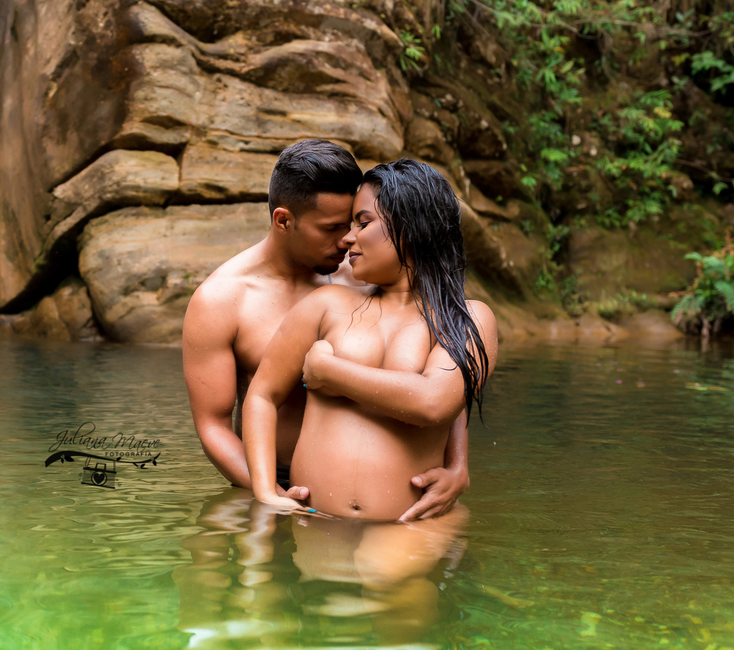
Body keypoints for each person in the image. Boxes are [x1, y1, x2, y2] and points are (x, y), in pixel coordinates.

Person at [182, 141, 470, 521]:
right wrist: (269, 492)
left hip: (393, 484)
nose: (346, 240)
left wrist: (458, 466)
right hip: (277, 477)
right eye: (331, 229)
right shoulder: (222, 301)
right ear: (284, 220)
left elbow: (444, 365)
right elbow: (213, 426)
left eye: (354, 223)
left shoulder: (368, 271)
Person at [242, 157, 499, 519]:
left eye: (363, 223)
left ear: (410, 228)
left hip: (408, 528)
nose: (348, 238)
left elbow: (435, 403)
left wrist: (329, 371)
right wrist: (266, 491)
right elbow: (262, 395)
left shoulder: (467, 318)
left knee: (384, 571)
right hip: (313, 522)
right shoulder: (325, 305)